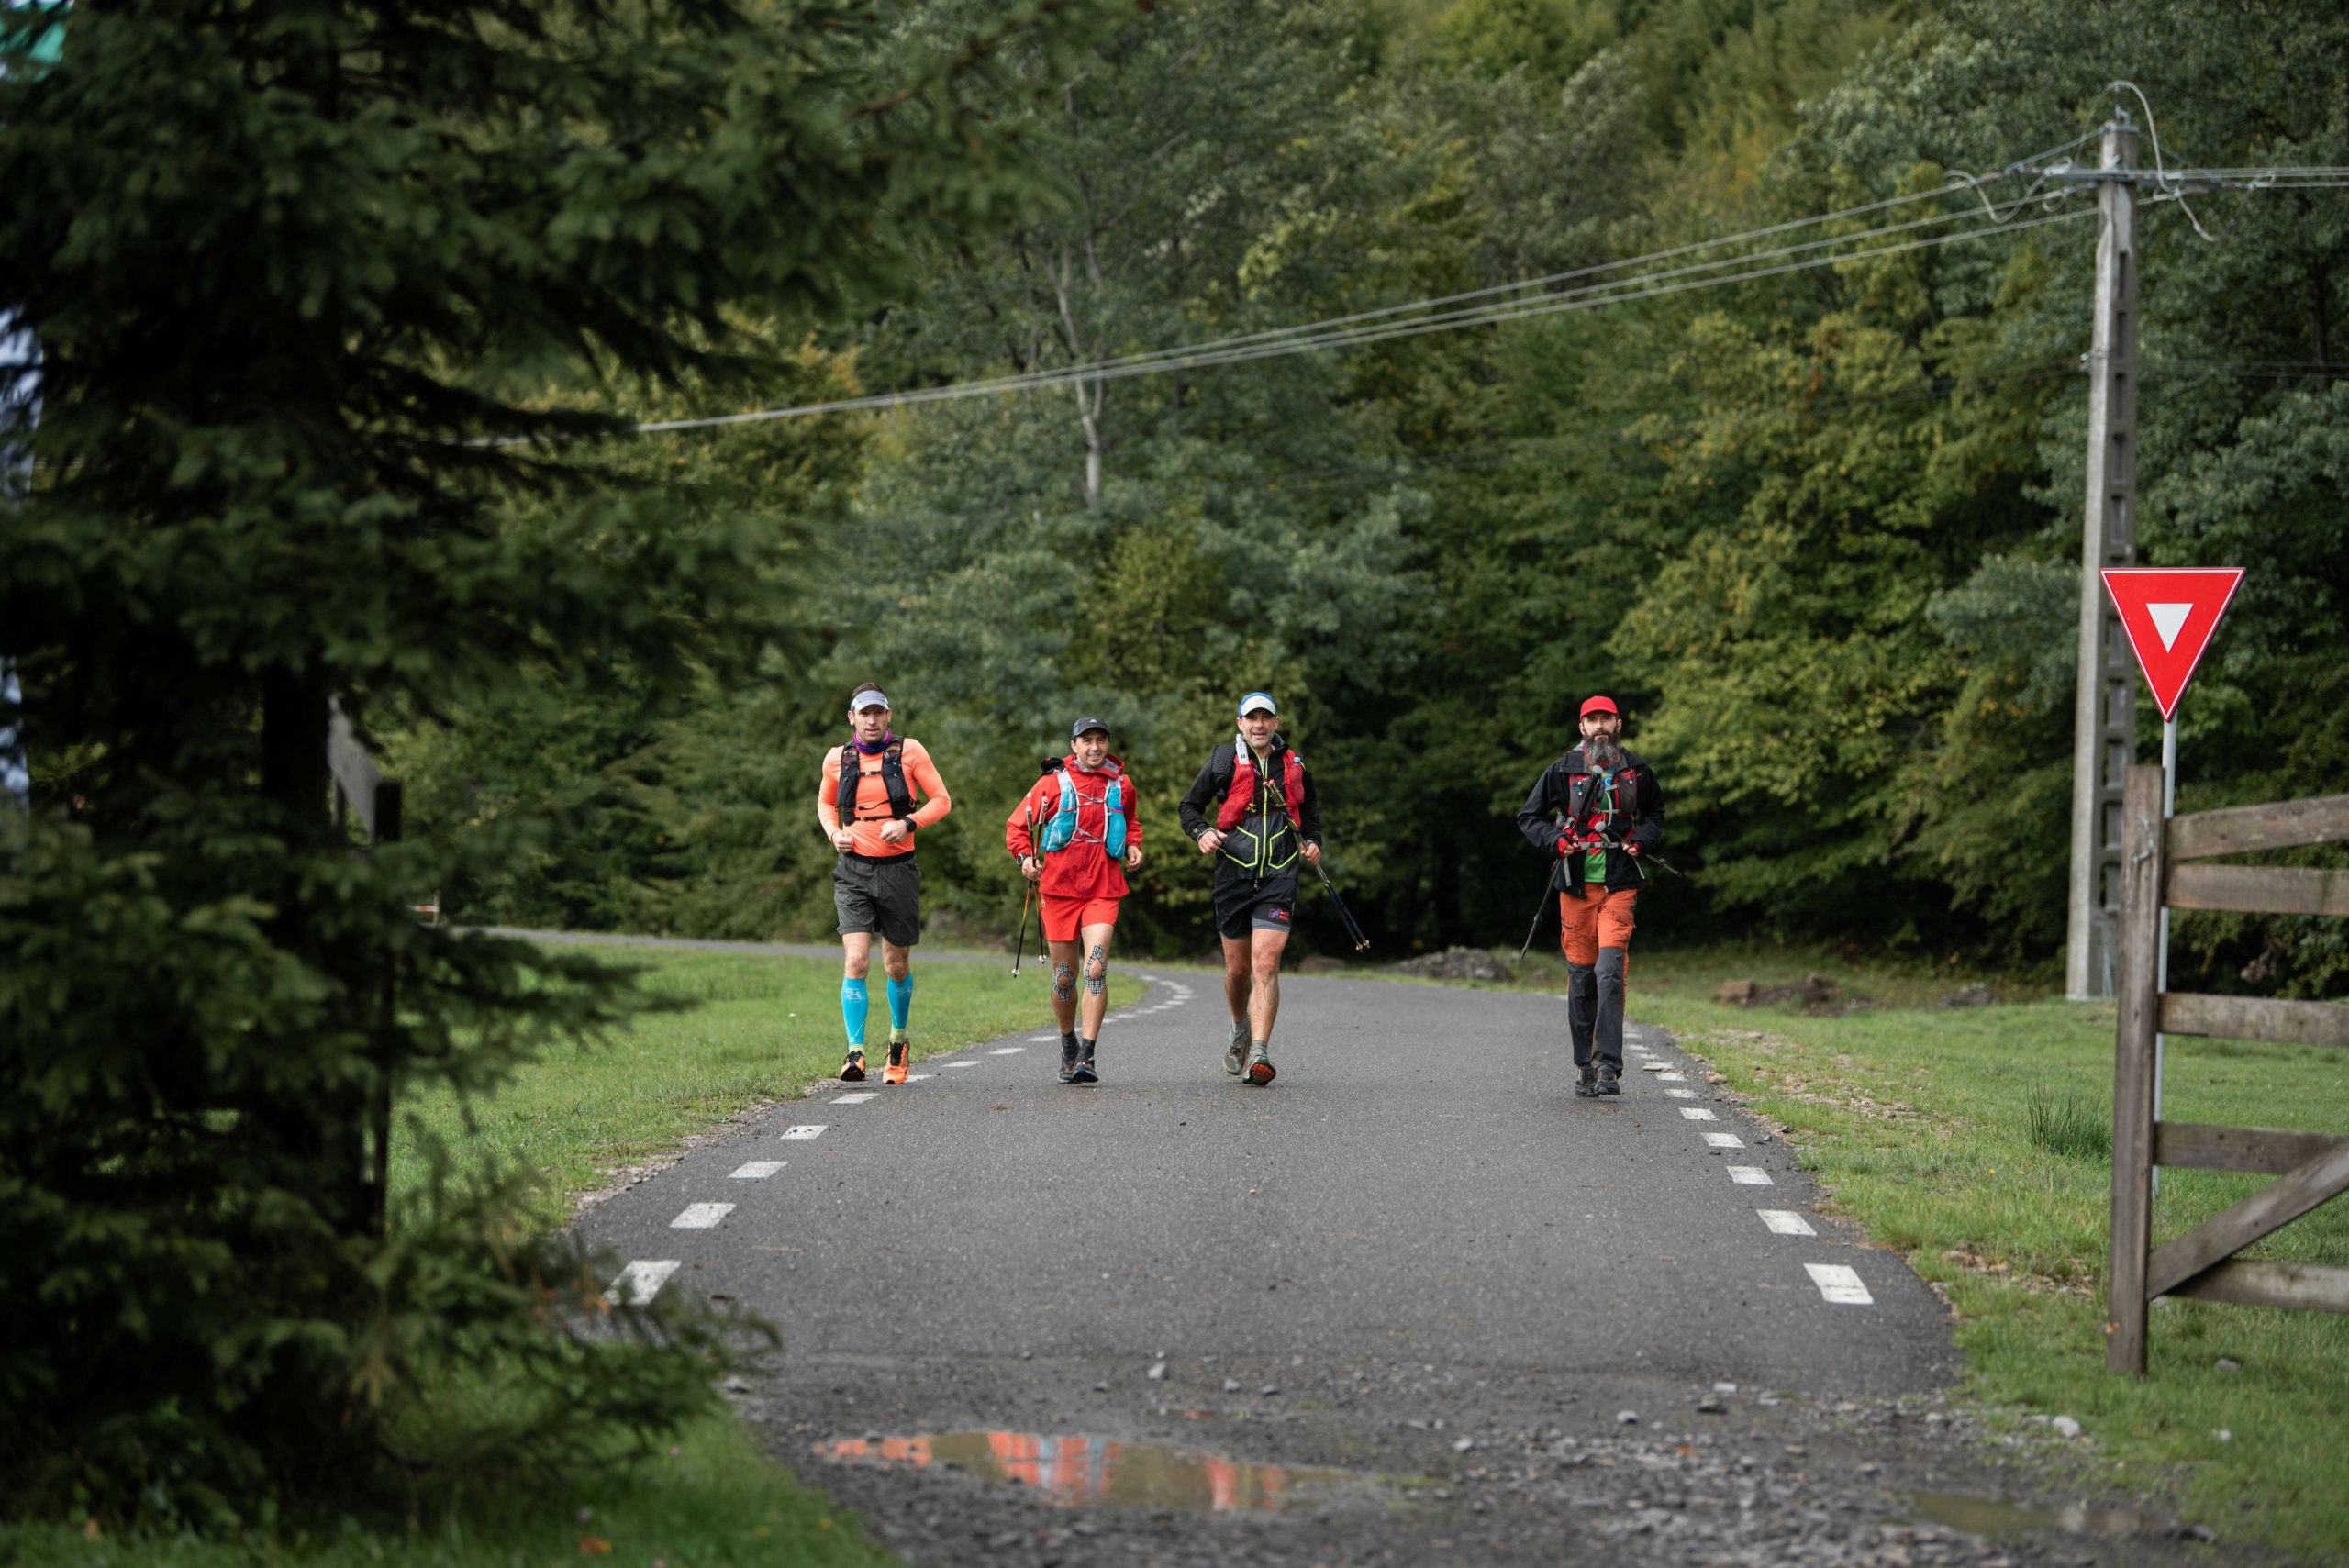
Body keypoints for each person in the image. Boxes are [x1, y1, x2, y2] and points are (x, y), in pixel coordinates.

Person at [1515, 695, 1665, 1096]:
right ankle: (1584, 1064)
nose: (1600, 726)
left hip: (1620, 883)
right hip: (1576, 886)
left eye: (1606, 719)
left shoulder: (1637, 770)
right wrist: (1555, 841)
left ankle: (1608, 1068)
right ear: (1581, 727)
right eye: (1592, 719)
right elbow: (1528, 817)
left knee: (1610, 972)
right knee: (1582, 978)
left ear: (1618, 724)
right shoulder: (1562, 769)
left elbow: (1655, 815)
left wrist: (1642, 840)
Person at [1177, 692, 1323, 1086]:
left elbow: (1310, 812)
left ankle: (1259, 1051)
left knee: (1266, 965)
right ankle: (1240, 1025)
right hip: (1233, 874)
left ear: (1276, 722)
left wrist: (1313, 842)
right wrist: (1202, 832)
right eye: (1251, 718)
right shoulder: (1223, 762)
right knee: (1238, 969)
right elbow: (1189, 807)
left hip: (1279, 874)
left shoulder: (1295, 764)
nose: (1259, 724)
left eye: (1265, 717)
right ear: (1240, 723)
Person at [817, 684, 952, 1084]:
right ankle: (854, 1053)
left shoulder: (911, 752)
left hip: (898, 870)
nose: (872, 720)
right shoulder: (837, 758)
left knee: (896, 965)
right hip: (853, 871)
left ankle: (897, 1042)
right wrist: (833, 833)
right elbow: (824, 803)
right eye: (864, 714)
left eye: (878, 713)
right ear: (852, 718)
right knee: (856, 960)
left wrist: (908, 823)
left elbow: (941, 800)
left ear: (888, 716)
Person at [1005, 718, 1145, 1084]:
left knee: (1095, 968)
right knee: (1064, 977)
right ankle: (1068, 1042)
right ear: (1074, 745)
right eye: (1087, 740)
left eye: (1101, 740)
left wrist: (1133, 845)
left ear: (1108, 744)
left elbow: (1131, 820)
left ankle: (1087, 1055)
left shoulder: (1122, 783)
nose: (1094, 747)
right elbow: (1017, 826)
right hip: (1058, 890)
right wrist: (1025, 858)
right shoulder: (1052, 783)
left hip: (1103, 887)